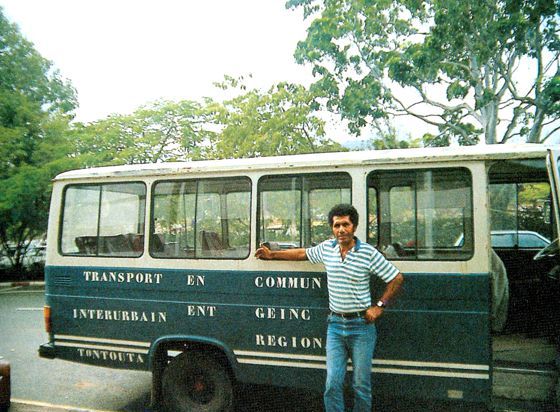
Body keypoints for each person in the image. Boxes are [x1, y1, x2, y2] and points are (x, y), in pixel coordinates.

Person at [255, 204, 404, 412]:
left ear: (354, 226)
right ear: (332, 228)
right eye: (336, 225)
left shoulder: (368, 253)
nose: (341, 230)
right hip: (335, 326)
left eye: (345, 224)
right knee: (332, 385)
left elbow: (396, 278)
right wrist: (272, 255)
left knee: (361, 386)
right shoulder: (327, 248)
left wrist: (379, 306)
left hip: (361, 327)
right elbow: (301, 254)